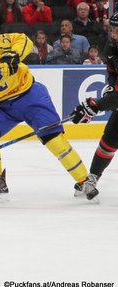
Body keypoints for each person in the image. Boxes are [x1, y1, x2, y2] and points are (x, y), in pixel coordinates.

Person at [0, 32, 99, 202]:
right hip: (5, 107)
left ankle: (84, 180)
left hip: (30, 95)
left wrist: (14, 54)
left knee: (53, 138)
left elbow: (23, 39)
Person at [70, 12, 118, 194]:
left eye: (117, 31)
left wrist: (95, 106)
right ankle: (93, 177)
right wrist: (112, 86)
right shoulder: (113, 47)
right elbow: (113, 72)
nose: (113, 34)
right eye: (112, 29)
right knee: (109, 140)